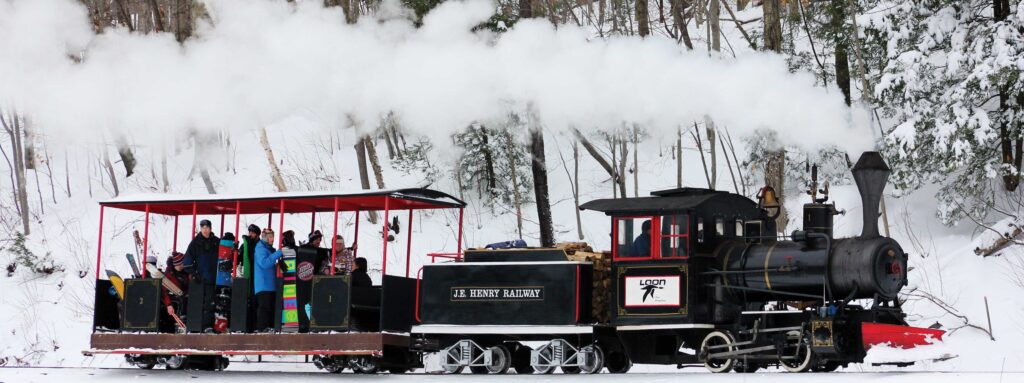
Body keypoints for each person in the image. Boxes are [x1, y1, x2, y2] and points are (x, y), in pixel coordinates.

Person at [184, 219, 220, 331]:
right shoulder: (195, 243)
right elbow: (187, 262)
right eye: (203, 227)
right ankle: (204, 327)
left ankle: (212, 326)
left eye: (207, 227)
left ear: (210, 228)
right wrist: (195, 273)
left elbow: (225, 253)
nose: (205, 230)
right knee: (203, 304)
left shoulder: (216, 241)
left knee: (213, 303)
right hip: (201, 280)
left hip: (215, 278)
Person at [254, 228, 284, 332]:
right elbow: (264, 263)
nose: (272, 239)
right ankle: (262, 328)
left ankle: (268, 326)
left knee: (269, 307)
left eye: (273, 237)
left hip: (269, 284)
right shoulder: (260, 248)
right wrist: (278, 253)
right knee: (264, 307)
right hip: (263, 284)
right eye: (270, 237)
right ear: (265, 238)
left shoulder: (268, 248)